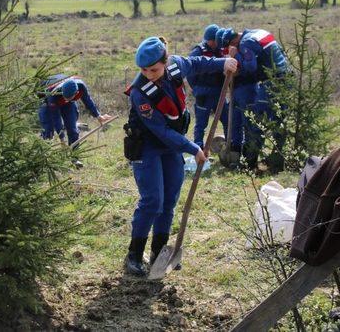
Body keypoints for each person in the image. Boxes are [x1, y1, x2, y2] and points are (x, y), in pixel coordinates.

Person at [123, 36, 238, 276]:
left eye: (153, 69)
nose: (148, 74)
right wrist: (193, 148)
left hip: (172, 146)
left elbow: (197, 63)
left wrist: (224, 62)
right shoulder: (139, 92)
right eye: (143, 70)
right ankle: (134, 255)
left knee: (169, 202)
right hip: (147, 146)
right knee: (153, 200)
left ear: (165, 62)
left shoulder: (176, 64)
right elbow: (160, 131)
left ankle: (158, 253)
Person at [221, 28, 289, 170]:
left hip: (271, 81)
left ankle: (249, 164)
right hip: (286, 78)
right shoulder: (259, 32)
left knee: (257, 121)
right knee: (279, 121)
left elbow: (251, 67)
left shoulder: (245, 42)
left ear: (233, 42)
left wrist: (236, 57)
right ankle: (278, 163)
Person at [38, 74, 112, 146]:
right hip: (47, 100)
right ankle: (43, 154)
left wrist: (99, 116)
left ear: (76, 93)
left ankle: (74, 156)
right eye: (64, 97)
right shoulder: (53, 94)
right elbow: (56, 117)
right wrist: (62, 140)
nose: (65, 99)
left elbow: (88, 101)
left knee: (72, 129)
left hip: (68, 102)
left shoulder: (81, 87)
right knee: (48, 129)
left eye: (68, 98)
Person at [188, 24, 230, 150]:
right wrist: (197, 89)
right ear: (209, 40)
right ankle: (198, 150)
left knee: (228, 120)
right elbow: (190, 73)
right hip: (203, 95)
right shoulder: (198, 51)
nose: (216, 43)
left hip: (220, 94)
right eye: (214, 41)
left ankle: (229, 145)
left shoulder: (222, 51)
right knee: (201, 125)